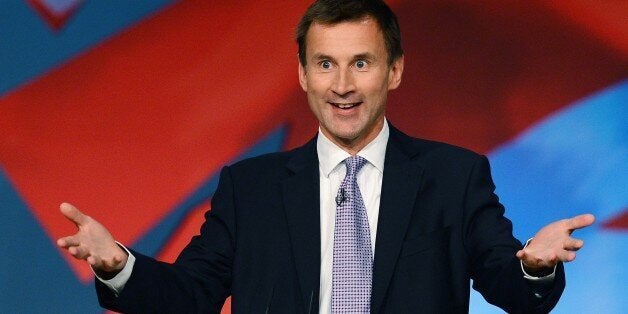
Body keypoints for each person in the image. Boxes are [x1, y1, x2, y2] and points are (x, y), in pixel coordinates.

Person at [57, 0, 595, 313]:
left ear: (394, 71)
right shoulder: (252, 189)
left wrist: (535, 267)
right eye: (325, 64)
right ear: (303, 74)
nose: (342, 85)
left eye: (361, 62)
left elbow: (510, 285)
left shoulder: (453, 177)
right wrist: (119, 265)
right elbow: (189, 295)